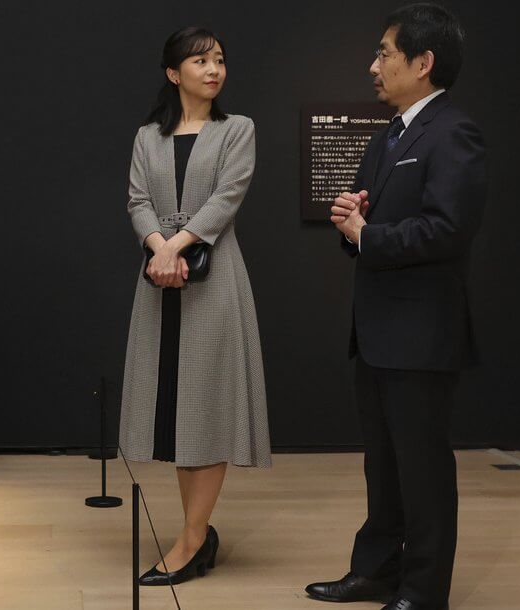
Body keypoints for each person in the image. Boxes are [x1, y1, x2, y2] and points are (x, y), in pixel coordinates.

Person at [307, 4, 486, 610]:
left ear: (423, 62)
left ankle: (423, 591)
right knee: (383, 467)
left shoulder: (453, 132)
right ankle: (376, 571)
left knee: (423, 472)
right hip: (379, 329)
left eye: (385, 53)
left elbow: (447, 229)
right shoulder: (391, 135)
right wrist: (350, 220)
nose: (373, 65)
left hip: (421, 332)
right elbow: (369, 221)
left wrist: (366, 234)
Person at [117, 26, 271, 587]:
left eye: (220, 60)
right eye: (201, 60)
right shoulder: (146, 137)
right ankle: (197, 531)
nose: (214, 69)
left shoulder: (238, 130)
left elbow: (228, 196)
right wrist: (158, 249)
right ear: (172, 73)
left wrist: (177, 245)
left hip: (215, 279)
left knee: (206, 406)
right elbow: (137, 199)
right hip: (160, 280)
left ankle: (190, 539)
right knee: (176, 410)